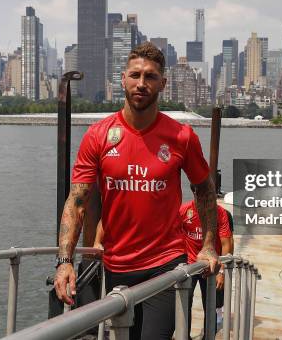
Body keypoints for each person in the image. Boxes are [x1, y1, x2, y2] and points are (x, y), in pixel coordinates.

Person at [53, 42, 219, 340]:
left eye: (150, 76)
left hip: (164, 266)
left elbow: (205, 190)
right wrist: (65, 261)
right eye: (135, 75)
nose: (141, 83)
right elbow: (77, 201)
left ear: (163, 83)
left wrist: (208, 245)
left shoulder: (181, 137)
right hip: (115, 265)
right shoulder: (98, 136)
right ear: (123, 80)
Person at [180, 192, 234, 339]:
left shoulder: (220, 213)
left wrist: (221, 272)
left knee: (211, 305)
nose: (204, 202)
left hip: (211, 266)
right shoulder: (184, 211)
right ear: (194, 193)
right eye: (200, 197)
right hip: (190, 265)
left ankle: (208, 336)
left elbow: (226, 243)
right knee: (184, 302)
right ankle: (184, 335)